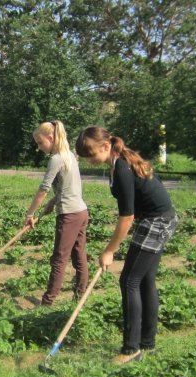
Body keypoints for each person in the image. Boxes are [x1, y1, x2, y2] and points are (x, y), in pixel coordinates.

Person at [75, 126, 178, 364]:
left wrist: (109, 250)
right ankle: (147, 344)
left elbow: (127, 216)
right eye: (85, 156)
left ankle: (131, 348)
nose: (89, 160)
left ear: (106, 146)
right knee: (144, 279)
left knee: (129, 280)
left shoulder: (121, 167)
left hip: (157, 222)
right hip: (160, 219)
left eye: (91, 154)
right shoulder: (118, 162)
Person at [24, 120, 89, 305]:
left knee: (59, 259)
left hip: (69, 215)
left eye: (40, 142)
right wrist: (53, 202)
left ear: (51, 138)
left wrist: (30, 214)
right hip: (81, 212)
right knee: (79, 256)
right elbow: (68, 188)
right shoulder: (69, 155)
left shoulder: (56, 159)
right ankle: (79, 298)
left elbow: (43, 189)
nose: (38, 147)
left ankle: (47, 303)